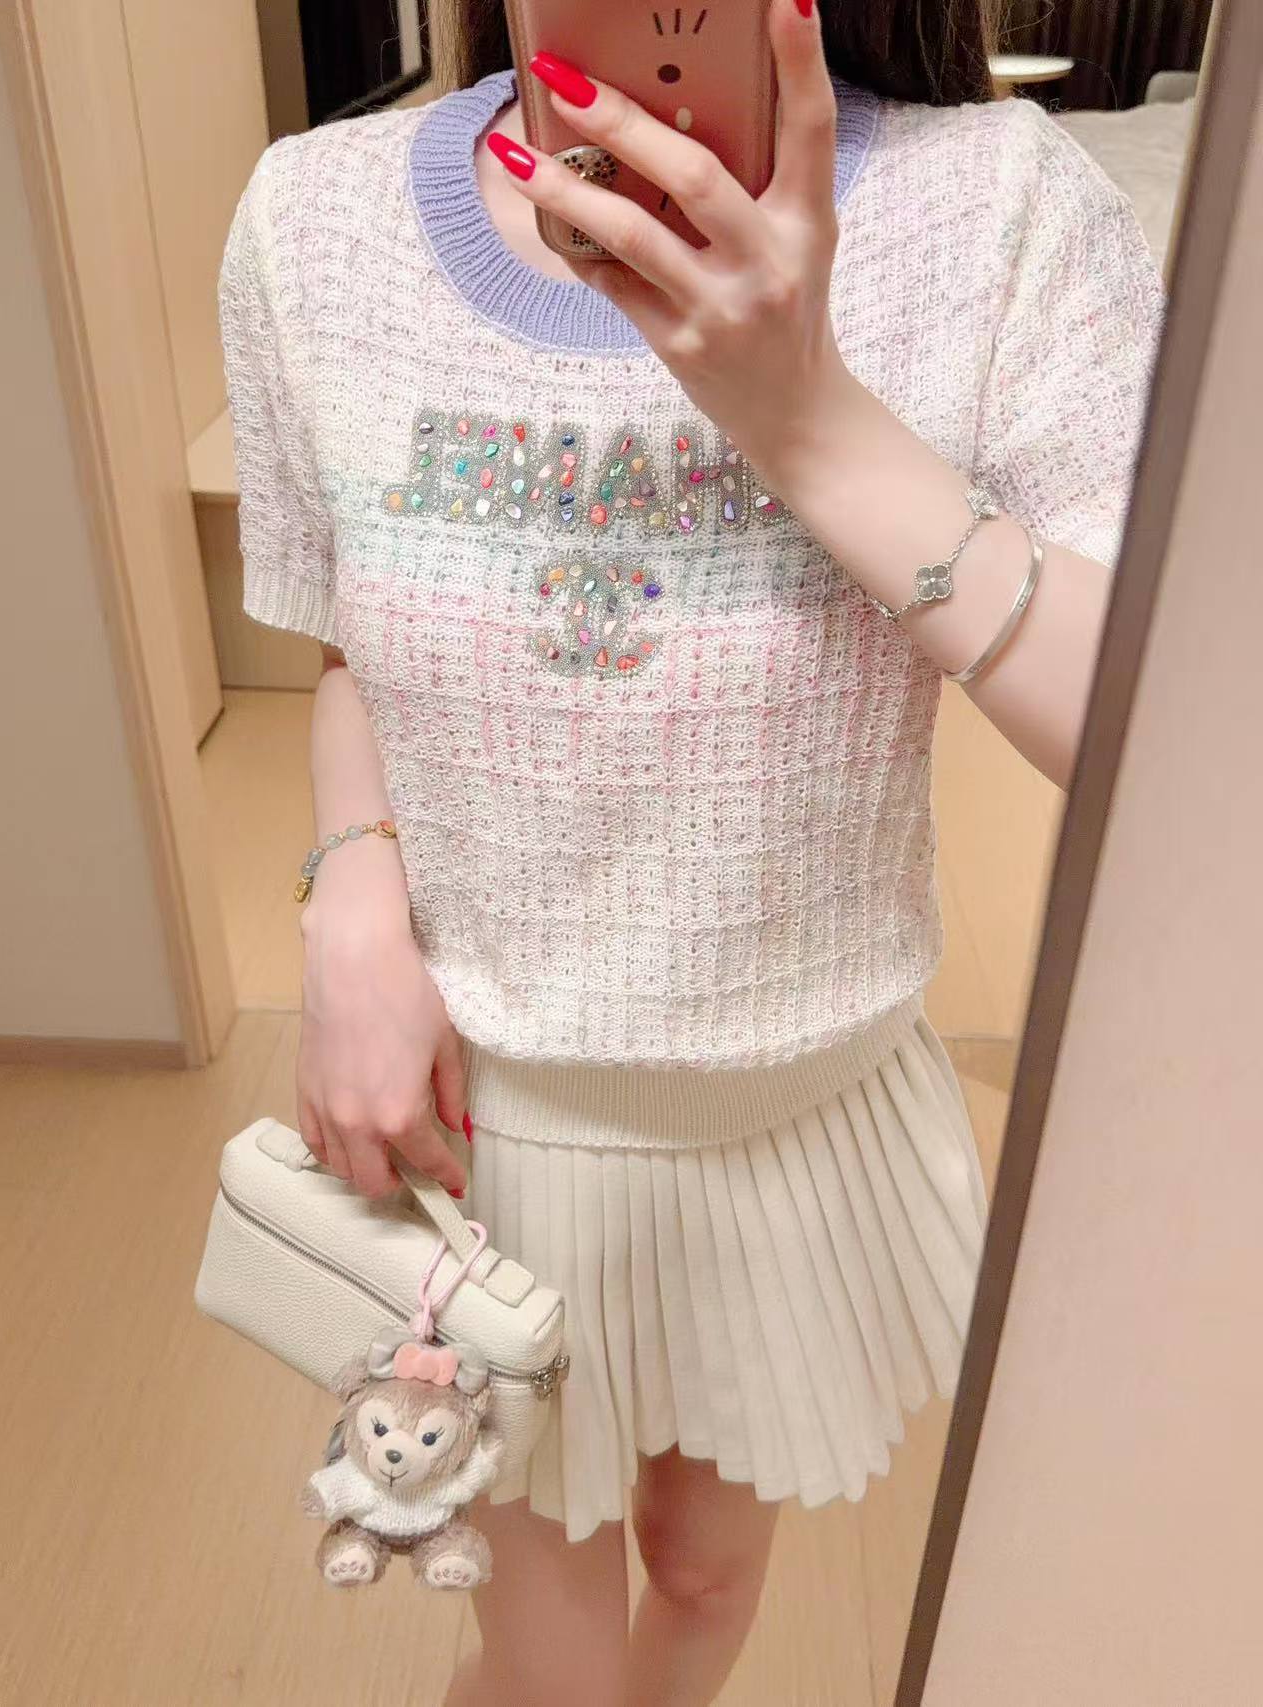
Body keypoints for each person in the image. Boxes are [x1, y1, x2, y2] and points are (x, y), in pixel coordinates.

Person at [216, 1, 1164, 1701]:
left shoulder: (1000, 210)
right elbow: (358, 637)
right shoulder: (313, 221)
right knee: (550, 1665)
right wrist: (351, 892)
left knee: (708, 1581)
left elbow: (1156, 735)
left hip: (792, 1120)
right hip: (483, 1132)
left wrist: (807, 421)